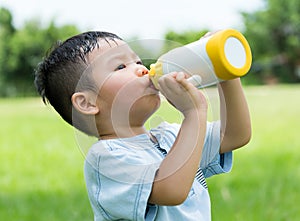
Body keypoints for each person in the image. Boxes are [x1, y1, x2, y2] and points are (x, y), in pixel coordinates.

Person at [34, 31, 251, 221]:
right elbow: (171, 191)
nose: (142, 70)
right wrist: (193, 114)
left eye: (138, 62)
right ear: (87, 103)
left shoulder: (169, 136)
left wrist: (223, 72)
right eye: (121, 66)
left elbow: (234, 135)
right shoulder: (106, 159)